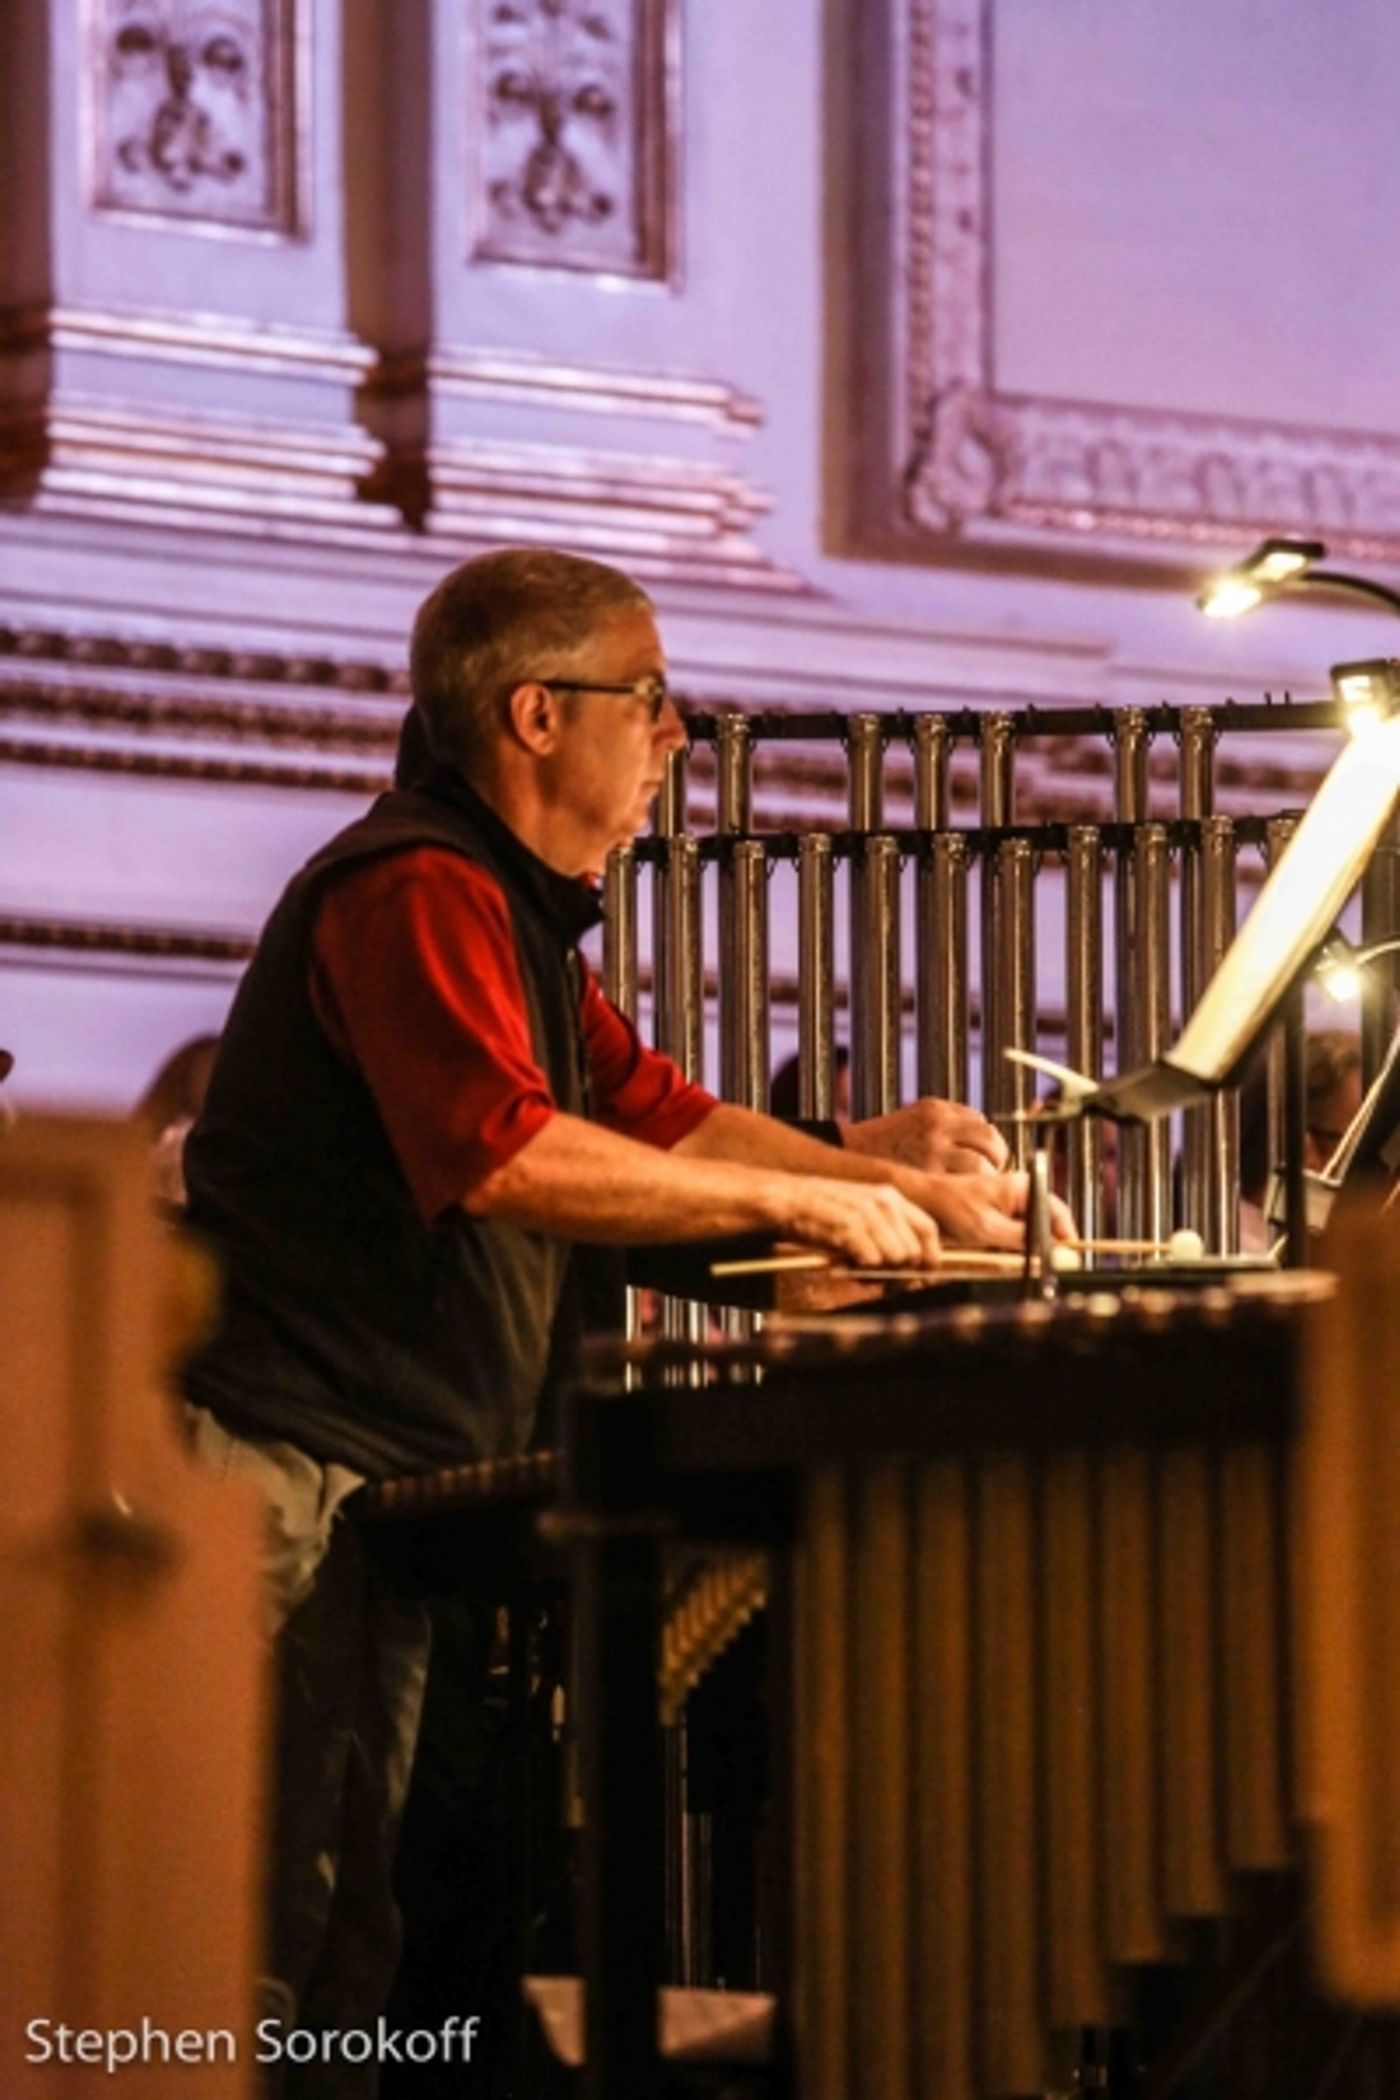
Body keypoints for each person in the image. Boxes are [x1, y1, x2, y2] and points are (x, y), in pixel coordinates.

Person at [180, 547, 1064, 2095]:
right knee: (262, 1958)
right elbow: (508, 1148)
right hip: (286, 1480)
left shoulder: (509, 918)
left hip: (375, 1489)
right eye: (650, 698)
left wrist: (894, 1178)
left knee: (350, 1957)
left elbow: (661, 1124)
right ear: (535, 713)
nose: (674, 735)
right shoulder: (412, 889)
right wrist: (805, 1210)